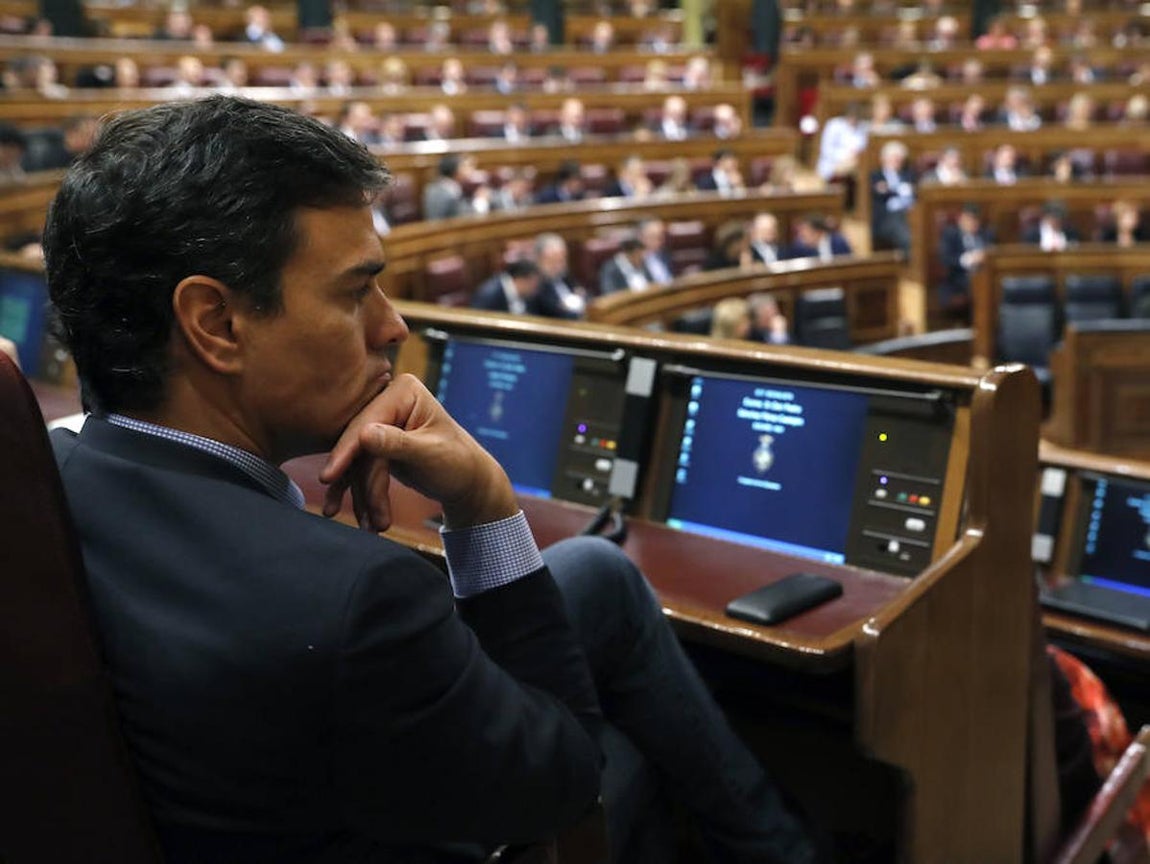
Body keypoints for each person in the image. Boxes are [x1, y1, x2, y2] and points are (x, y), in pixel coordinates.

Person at [43, 96, 817, 864]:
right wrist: (484, 506)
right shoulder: (355, 599)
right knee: (625, 755)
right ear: (216, 324)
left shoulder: (47, 478)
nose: (392, 326)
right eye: (355, 292)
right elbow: (569, 778)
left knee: (595, 572)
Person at [937, 205, 991, 320]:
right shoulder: (951, 234)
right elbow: (946, 259)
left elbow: (993, 253)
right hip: (958, 280)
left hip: (983, 277)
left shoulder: (986, 234)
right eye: (970, 219)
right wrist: (969, 259)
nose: (973, 223)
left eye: (976, 220)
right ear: (961, 219)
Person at [870, 140, 915, 254]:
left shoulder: (908, 175)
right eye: (894, 157)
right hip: (887, 218)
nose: (897, 161)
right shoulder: (876, 176)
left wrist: (890, 189)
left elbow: (914, 192)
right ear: (884, 158)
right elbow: (879, 193)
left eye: (899, 158)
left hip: (910, 213)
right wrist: (899, 190)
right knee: (908, 239)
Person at [471, 258, 542, 314]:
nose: (536, 289)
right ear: (521, 280)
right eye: (534, 285)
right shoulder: (489, 295)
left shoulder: (526, 296)